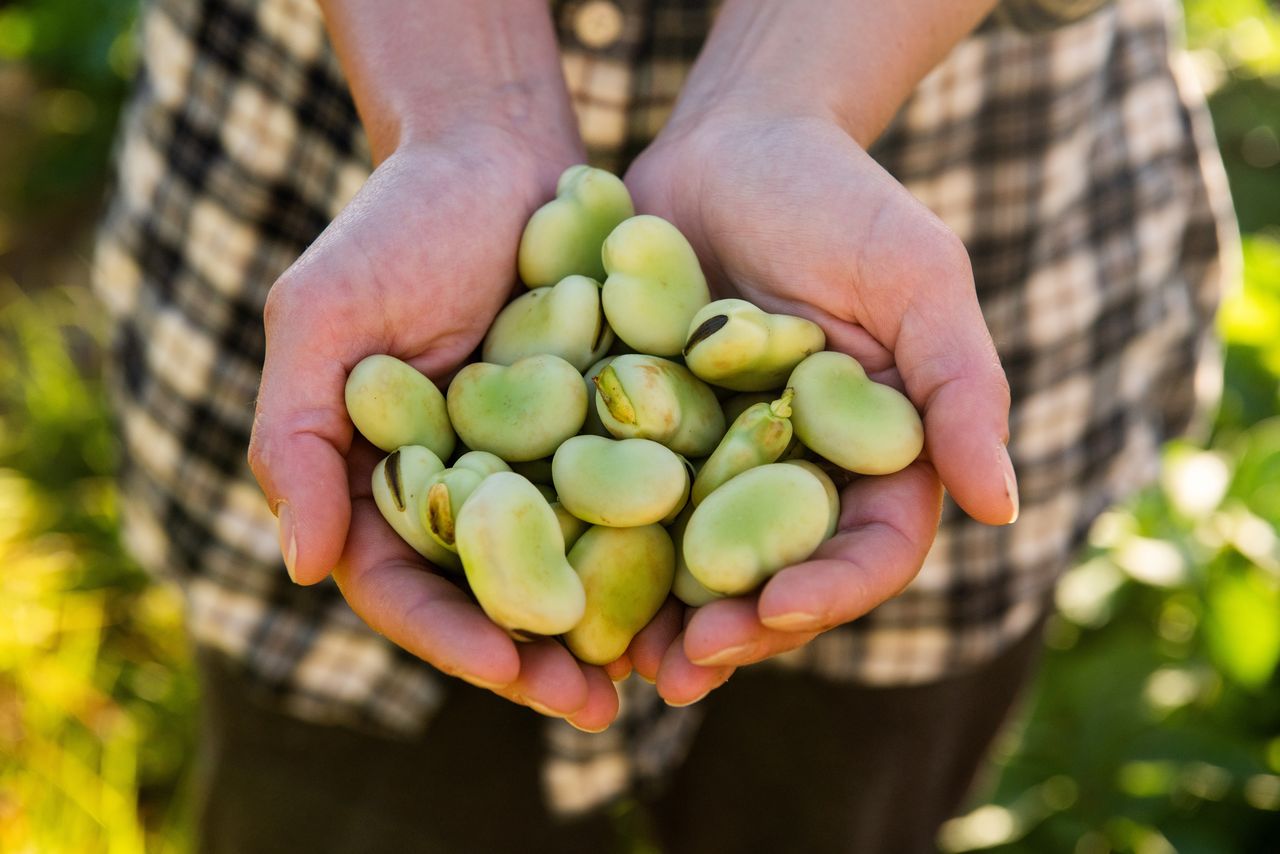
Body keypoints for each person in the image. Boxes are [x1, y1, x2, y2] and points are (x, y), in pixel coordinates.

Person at [92, 0, 1233, 851]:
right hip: (346, 116)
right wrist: (463, 110)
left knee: (830, 803)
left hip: (946, 160)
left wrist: (786, 93)